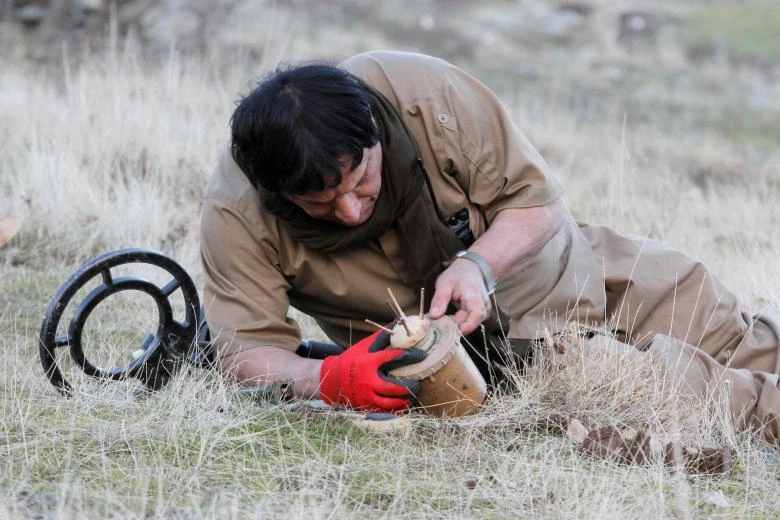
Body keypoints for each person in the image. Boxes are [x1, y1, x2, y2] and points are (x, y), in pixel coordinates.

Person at [200, 50, 780, 438]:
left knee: (734, 330)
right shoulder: (237, 209)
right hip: (513, 363)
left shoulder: (424, 95)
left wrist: (479, 264)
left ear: (373, 132)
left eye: (360, 182)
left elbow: (538, 203)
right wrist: (326, 379)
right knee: (696, 397)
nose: (350, 211)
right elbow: (246, 353)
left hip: (584, 271)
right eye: (320, 204)